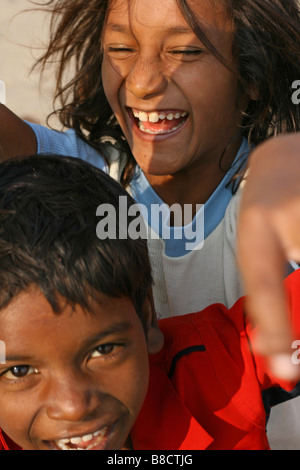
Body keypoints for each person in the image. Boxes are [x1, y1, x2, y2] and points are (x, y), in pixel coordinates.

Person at [0, 0, 300, 446]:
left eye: (185, 52)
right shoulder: (81, 180)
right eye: (120, 48)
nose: (141, 83)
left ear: (253, 75)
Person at [1, 154, 300, 451]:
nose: (73, 407)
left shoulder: (215, 371)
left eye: (103, 350)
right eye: (18, 372)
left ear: (146, 318)